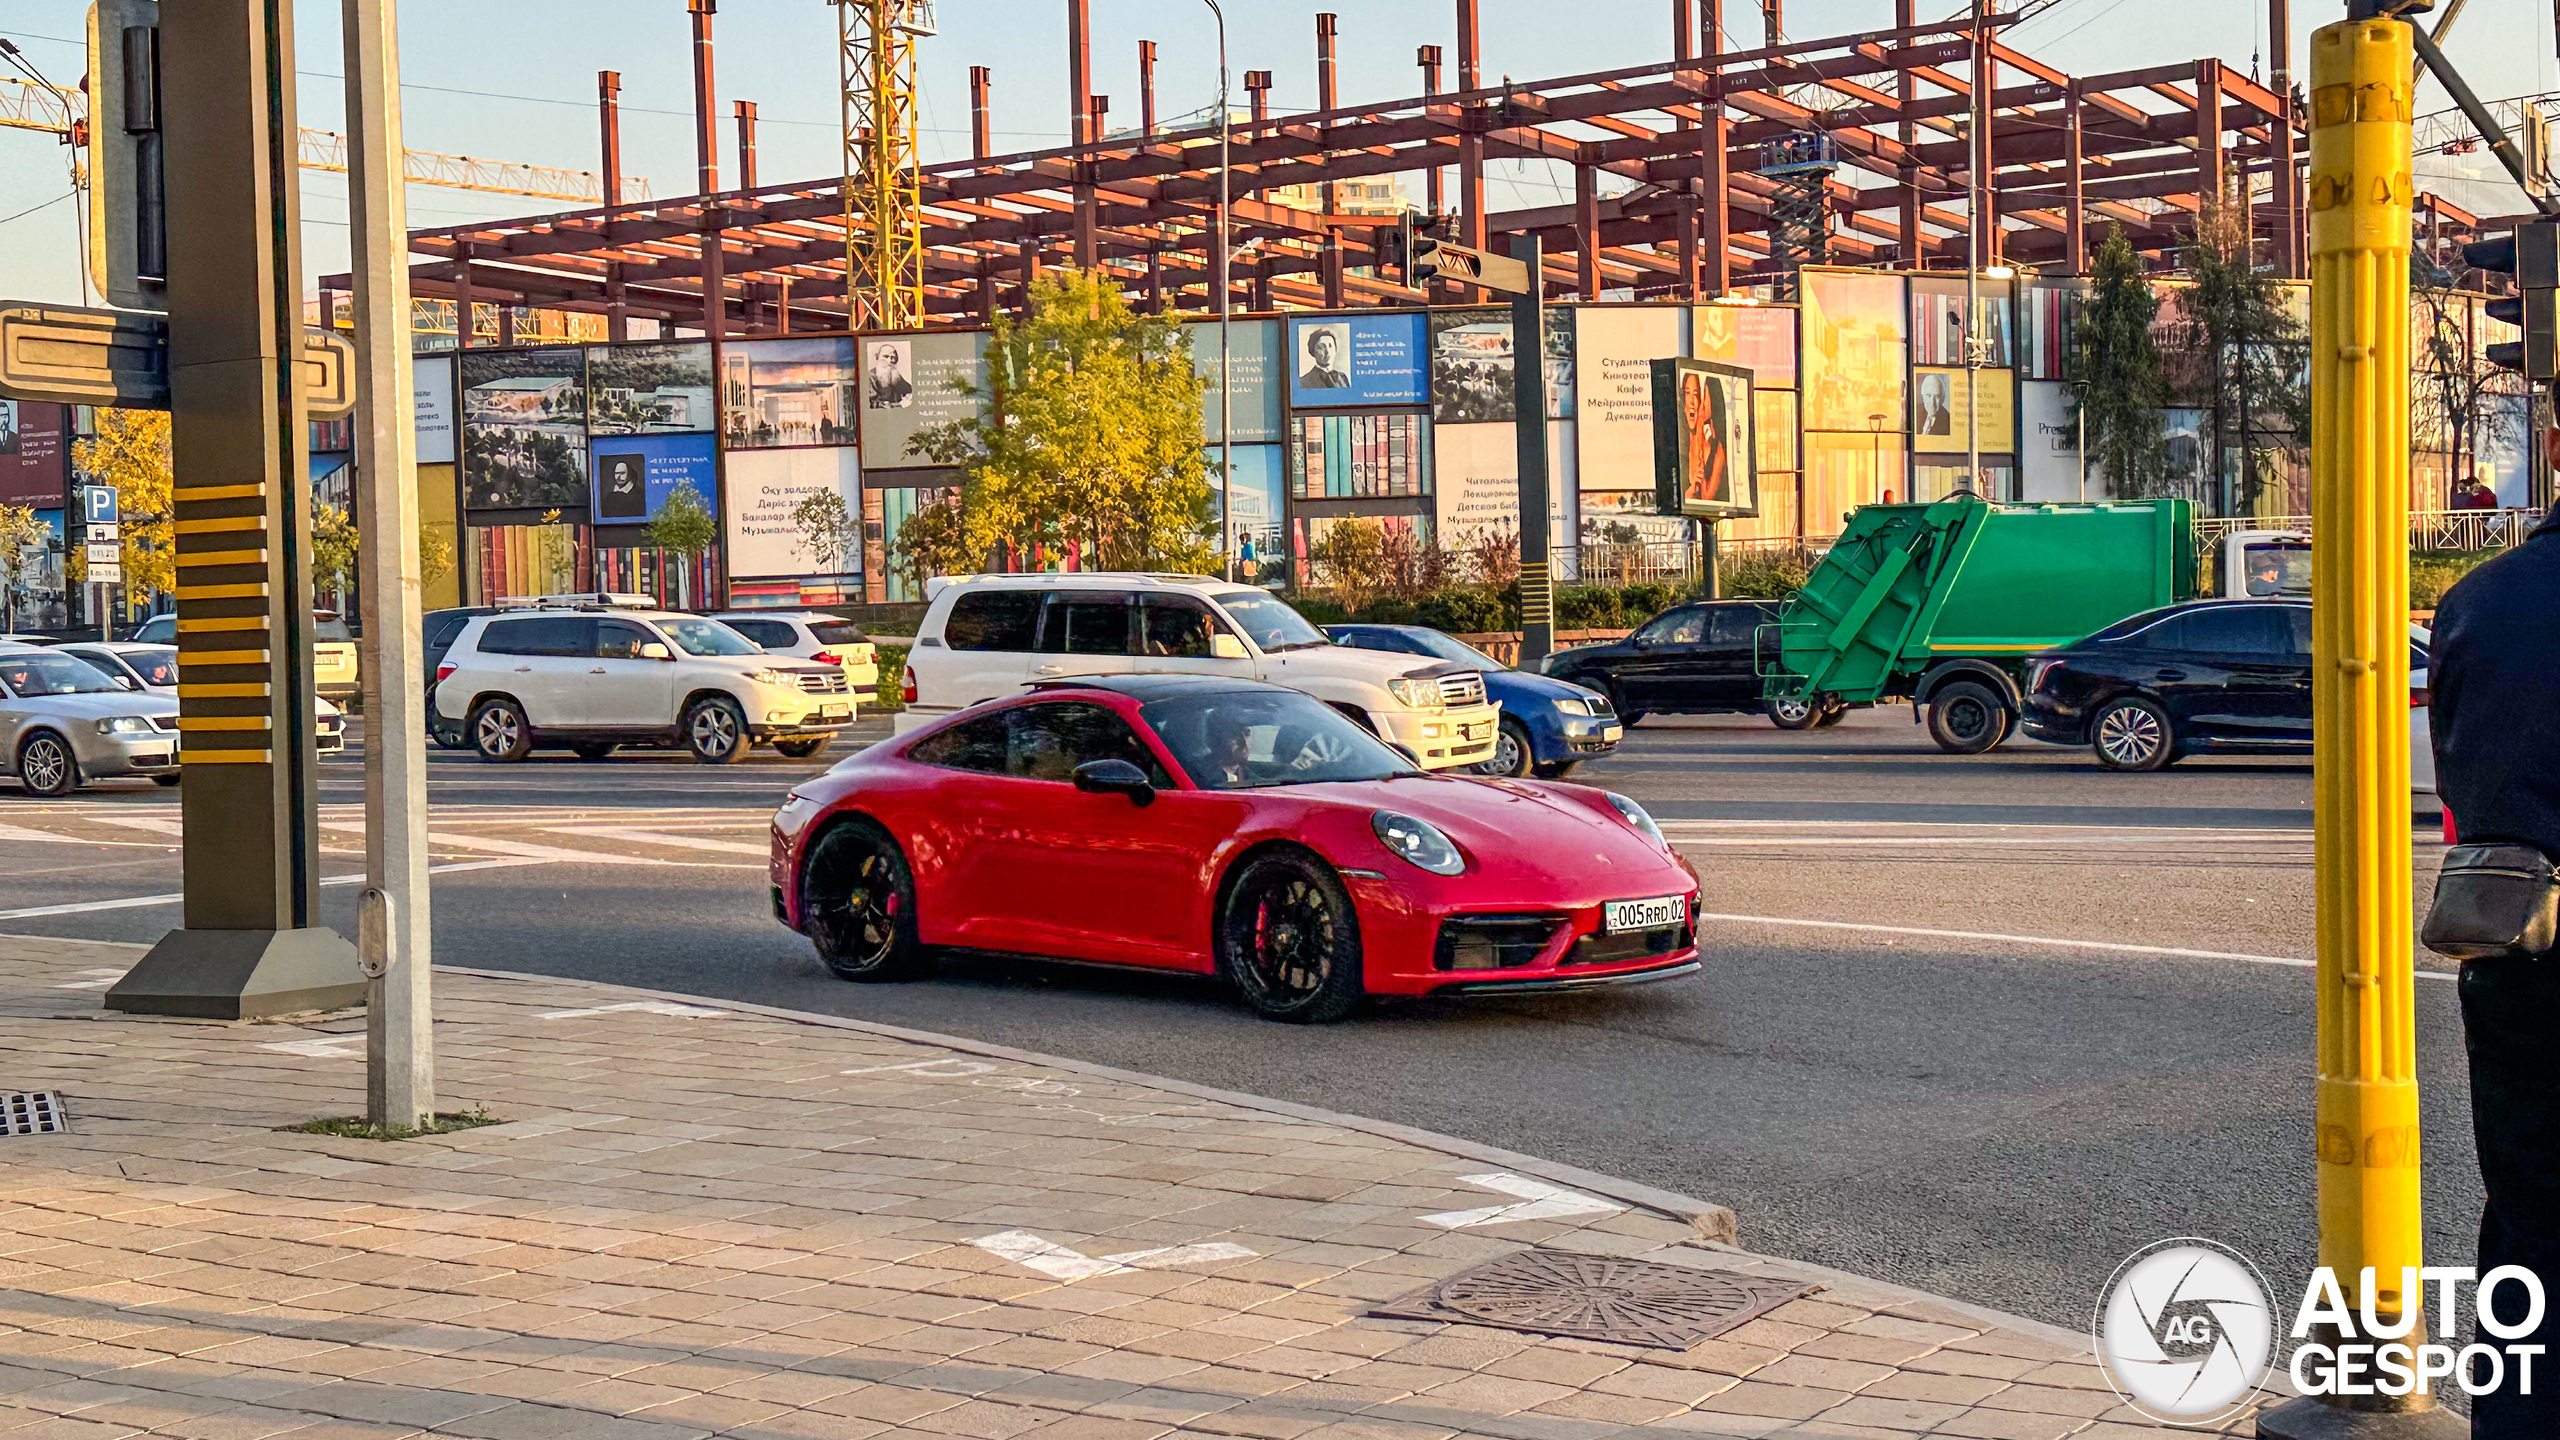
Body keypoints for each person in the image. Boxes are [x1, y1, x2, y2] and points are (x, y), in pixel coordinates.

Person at [2430, 516, 2560, 1437]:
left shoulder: (2478, 601)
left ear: (2556, 444)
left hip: (2522, 955)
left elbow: (2457, 780)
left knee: (2529, 1221)